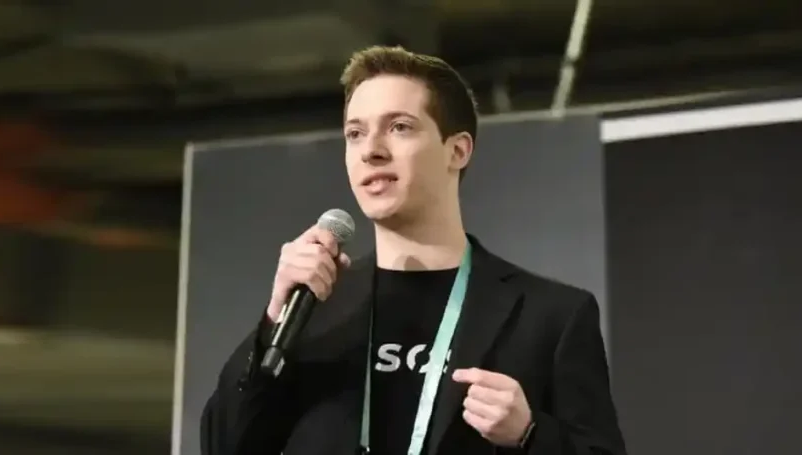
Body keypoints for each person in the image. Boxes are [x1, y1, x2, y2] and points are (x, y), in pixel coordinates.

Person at [200, 45, 626, 455]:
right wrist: (275, 318)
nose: (371, 150)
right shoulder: (313, 309)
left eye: (399, 127)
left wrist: (529, 434)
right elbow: (223, 446)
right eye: (355, 133)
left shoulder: (549, 316)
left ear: (457, 150)